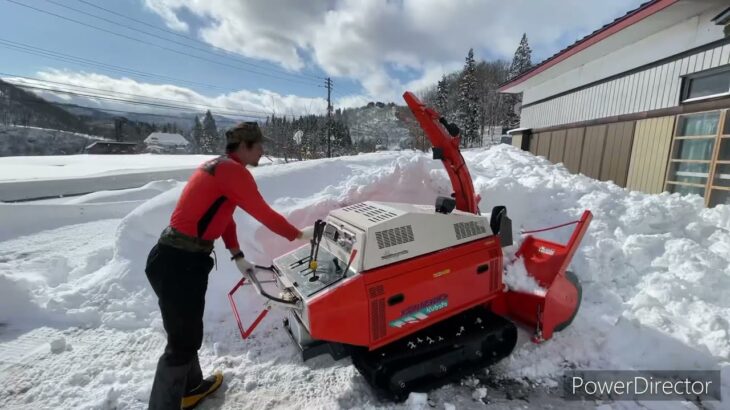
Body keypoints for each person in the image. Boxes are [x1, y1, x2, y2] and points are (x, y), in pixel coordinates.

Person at [145, 121, 314, 409]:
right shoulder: (234, 172)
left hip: (176, 259)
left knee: (187, 331)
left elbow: (225, 216)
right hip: (179, 263)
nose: (263, 150)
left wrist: (237, 256)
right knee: (181, 343)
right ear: (244, 147)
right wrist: (297, 235)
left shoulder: (219, 166)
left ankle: (191, 388)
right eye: (259, 145)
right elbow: (262, 211)